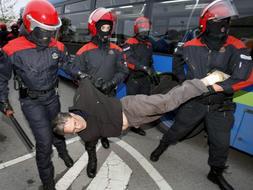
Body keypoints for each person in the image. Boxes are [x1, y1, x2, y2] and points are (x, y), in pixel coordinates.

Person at [149, 1, 253, 190]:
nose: (222, 27)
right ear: (206, 23)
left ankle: (216, 173)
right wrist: (183, 81)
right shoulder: (190, 45)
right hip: (194, 101)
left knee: (220, 144)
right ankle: (161, 147)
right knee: (177, 130)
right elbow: (177, 60)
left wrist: (219, 88)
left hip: (220, 105)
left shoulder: (236, 46)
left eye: (226, 22)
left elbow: (246, 76)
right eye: (217, 22)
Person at [0, 1, 82, 189]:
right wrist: (3, 99)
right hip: (31, 102)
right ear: (31, 25)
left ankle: (63, 152)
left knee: (58, 130)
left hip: (52, 97)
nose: (48, 35)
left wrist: (79, 74)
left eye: (51, 30)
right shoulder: (12, 49)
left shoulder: (57, 46)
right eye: (44, 30)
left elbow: (68, 64)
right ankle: (48, 184)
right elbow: (1, 77)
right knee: (44, 143)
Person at [53, 70, 228, 156]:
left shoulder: (83, 100)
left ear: (72, 114)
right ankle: (184, 91)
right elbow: (91, 139)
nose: (79, 127)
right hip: (135, 121)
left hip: (130, 107)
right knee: (168, 107)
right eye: (74, 131)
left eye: (75, 122)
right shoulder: (85, 135)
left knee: (166, 103)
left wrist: (88, 79)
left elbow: (83, 81)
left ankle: (205, 81)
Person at [71, 7, 129, 178]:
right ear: (94, 28)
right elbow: (76, 74)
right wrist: (90, 83)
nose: (106, 31)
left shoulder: (117, 50)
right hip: (89, 97)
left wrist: (112, 83)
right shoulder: (84, 51)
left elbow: (123, 71)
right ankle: (92, 157)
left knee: (108, 120)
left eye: (108, 28)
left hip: (109, 94)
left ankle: (105, 136)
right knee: (89, 129)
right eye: (102, 27)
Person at [123, 16, 156, 136]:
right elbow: (128, 58)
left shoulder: (149, 44)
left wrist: (153, 71)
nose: (145, 33)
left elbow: (150, 60)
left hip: (144, 78)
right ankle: (126, 122)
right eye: (142, 30)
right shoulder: (130, 42)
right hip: (133, 78)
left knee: (143, 103)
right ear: (137, 30)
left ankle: (136, 125)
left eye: (146, 31)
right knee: (131, 103)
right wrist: (143, 68)